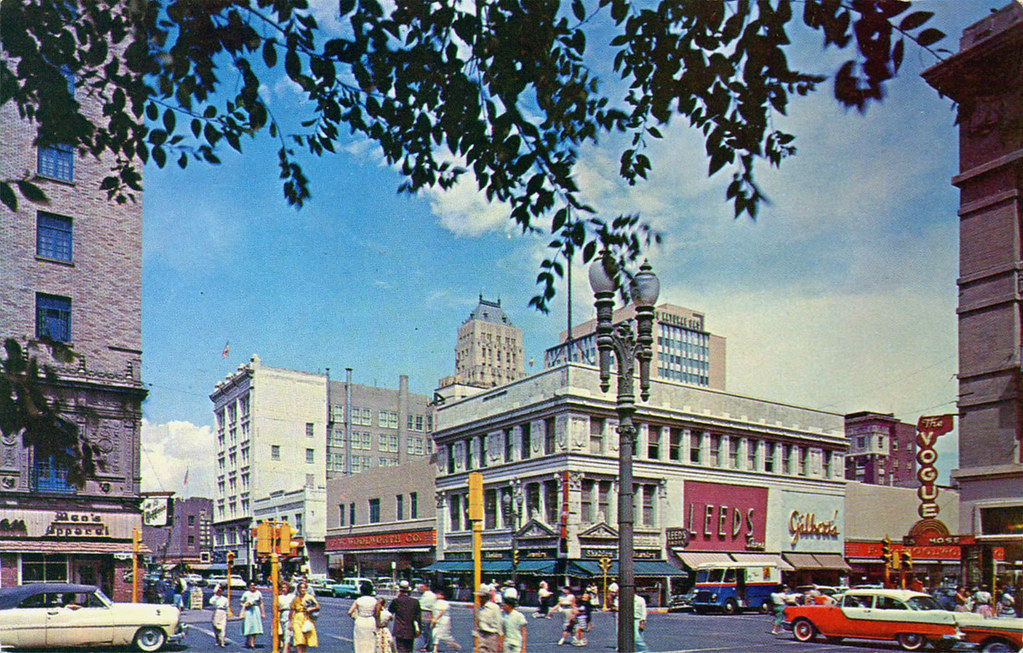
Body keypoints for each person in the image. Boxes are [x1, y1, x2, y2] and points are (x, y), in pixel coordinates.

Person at [390, 580, 423, 653]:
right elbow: (418, 617)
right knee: (409, 649)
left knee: (401, 649)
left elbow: (390, 612)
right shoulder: (415, 602)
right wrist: (419, 629)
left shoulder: (396, 601)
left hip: (399, 630)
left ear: (400, 590)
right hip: (410, 630)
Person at [350, 581, 380, 653]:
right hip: (370, 621)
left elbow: (350, 612)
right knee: (371, 641)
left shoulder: (358, 600)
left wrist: (355, 617)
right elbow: (377, 614)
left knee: (359, 641)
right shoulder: (375, 601)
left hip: (360, 620)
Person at [290, 580, 319, 652]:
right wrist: (290, 622)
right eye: (301, 588)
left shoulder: (309, 597)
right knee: (298, 638)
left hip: (307, 618)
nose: (303, 589)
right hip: (297, 618)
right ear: (298, 589)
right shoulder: (295, 599)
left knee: (305, 639)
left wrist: (311, 609)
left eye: (304, 588)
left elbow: (317, 606)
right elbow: (292, 611)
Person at [430, 588, 461, 653]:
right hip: (436, 620)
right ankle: (435, 649)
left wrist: (437, 618)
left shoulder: (445, 603)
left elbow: (442, 611)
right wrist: (433, 619)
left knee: (443, 635)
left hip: (443, 620)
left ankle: (455, 645)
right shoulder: (435, 603)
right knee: (435, 633)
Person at [477, 588, 503, 653]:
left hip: (491, 636)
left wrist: (500, 641)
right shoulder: (479, 608)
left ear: (486, 597)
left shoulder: (494, 608)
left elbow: (499, 624)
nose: (480, 599)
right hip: (481, 636)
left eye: (482, 597)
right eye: (479, 597)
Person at [240, 581, 265, 649]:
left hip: (255, 610)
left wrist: (263, 613)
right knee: (248, 626)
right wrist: (246, 605)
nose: (253, 587)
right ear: (249, 587)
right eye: (251, 585)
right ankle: (247, 641)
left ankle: (252, 643)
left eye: (254, 585)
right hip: (248, 611)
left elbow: (261, 603)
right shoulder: (246, 593)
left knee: (255, 626)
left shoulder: (258, 593)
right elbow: (241, 602)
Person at [278, 581, 296, 653]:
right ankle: (287, 648)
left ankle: (285, 650)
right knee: (281, 633)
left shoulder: (292, 596)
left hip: (290, 614)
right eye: (282, 587)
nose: (284, 589)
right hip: (281, 615)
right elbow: (277, 607)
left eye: (285, 587)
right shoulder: (279, 597)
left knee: (288, 633)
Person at [418, 583, 437, 652]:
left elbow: (421, 604)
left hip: (425, 613)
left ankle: (425, 645)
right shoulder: (433, 595)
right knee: (428, 630)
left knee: (424, 631)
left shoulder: (427, 595)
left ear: (426, 587)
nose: (420, 588)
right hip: (430, 613)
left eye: (422, 587)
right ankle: (428, 644)